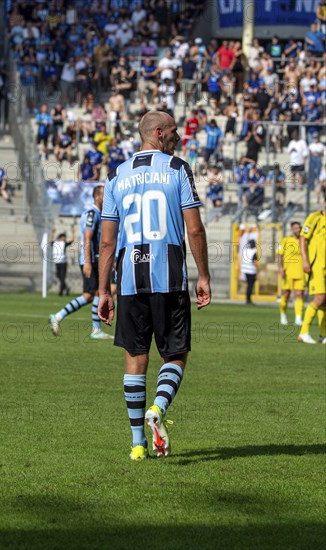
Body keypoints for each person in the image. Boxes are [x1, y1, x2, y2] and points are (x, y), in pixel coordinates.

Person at [97, 111, 211, 461]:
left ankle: (136, 444)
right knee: (175, 355)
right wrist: (204, 275)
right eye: (174, 131)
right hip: (169, 276)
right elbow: (194, 229)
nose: (178, 136)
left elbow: (107, 241)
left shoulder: (117, 174)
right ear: (158, 133)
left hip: (129, 281)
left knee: (135, 359)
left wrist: (103, 290)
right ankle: (158, 409)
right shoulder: (177, 169)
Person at [49, 186, 113, 340]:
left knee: (98, 293)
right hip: (90, 260)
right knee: (89, 295)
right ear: (97, 196)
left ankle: (96, 329)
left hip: (96, 259)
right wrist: (88, 263)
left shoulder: (100, 213)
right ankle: (58, 316)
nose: (107, 198)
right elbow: (87, 238)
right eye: (105, 195)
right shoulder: (92, 214)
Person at [298, 197, 326, 344]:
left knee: (325, 302)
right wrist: (305, 260)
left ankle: (323, 335)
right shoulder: (315, 218)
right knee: (320, 298)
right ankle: (303, 332)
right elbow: (303, 238)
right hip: (317, 266)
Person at [277, 222, 305, 327]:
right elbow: (279, 255)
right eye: (296, 228)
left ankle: (298, 318)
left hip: (301, 272)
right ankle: (283, 315)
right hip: (288, 272)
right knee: (286, 295)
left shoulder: (304, 240)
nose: (298, 229)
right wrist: (280, 268)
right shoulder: (285, 240)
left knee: (299, 295)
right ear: (292, 229)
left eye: (299, 227)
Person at [49, 229, 74, 296]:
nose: (64, 238)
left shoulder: (64, 243)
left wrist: (73, 233)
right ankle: (66, 288)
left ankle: (61, 291)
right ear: (60, 237)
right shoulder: (56, 243)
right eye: (63, 237)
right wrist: (52, 233)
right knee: (59, 276)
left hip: (63, 262)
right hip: (57, 262)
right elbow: (50, 241)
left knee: (62, 277)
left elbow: (71, 241)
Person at [240, 239, 258, 305]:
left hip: (245, 269)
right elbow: (255, 262)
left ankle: (248, 299)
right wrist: (257, 271)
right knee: (250, 285)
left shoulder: (245, 250)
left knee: (249, 285)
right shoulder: (254, 251)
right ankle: (248, 299)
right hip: (251, 270)